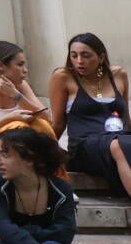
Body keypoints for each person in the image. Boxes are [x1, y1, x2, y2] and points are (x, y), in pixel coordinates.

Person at [0, 39, 61, 175]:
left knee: (41, 125)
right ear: (1, 65)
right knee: (15, 127)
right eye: (20, 65)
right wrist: (10, 119)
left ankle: (59, 181)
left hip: (17, 149)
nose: (25, 71)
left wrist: (16, 95)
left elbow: (47, 118)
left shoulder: (20, 85)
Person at [49, 32, 131, 196]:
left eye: (85, 55)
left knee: (121, 142)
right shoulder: (63, 77)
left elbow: (125, 117)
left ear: (101, 58)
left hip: (119, 137)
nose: (79, 61)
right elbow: (58, 123)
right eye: (74, 55)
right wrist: (46, 152)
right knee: (118, 145)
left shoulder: (118, 75)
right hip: (84, 145)